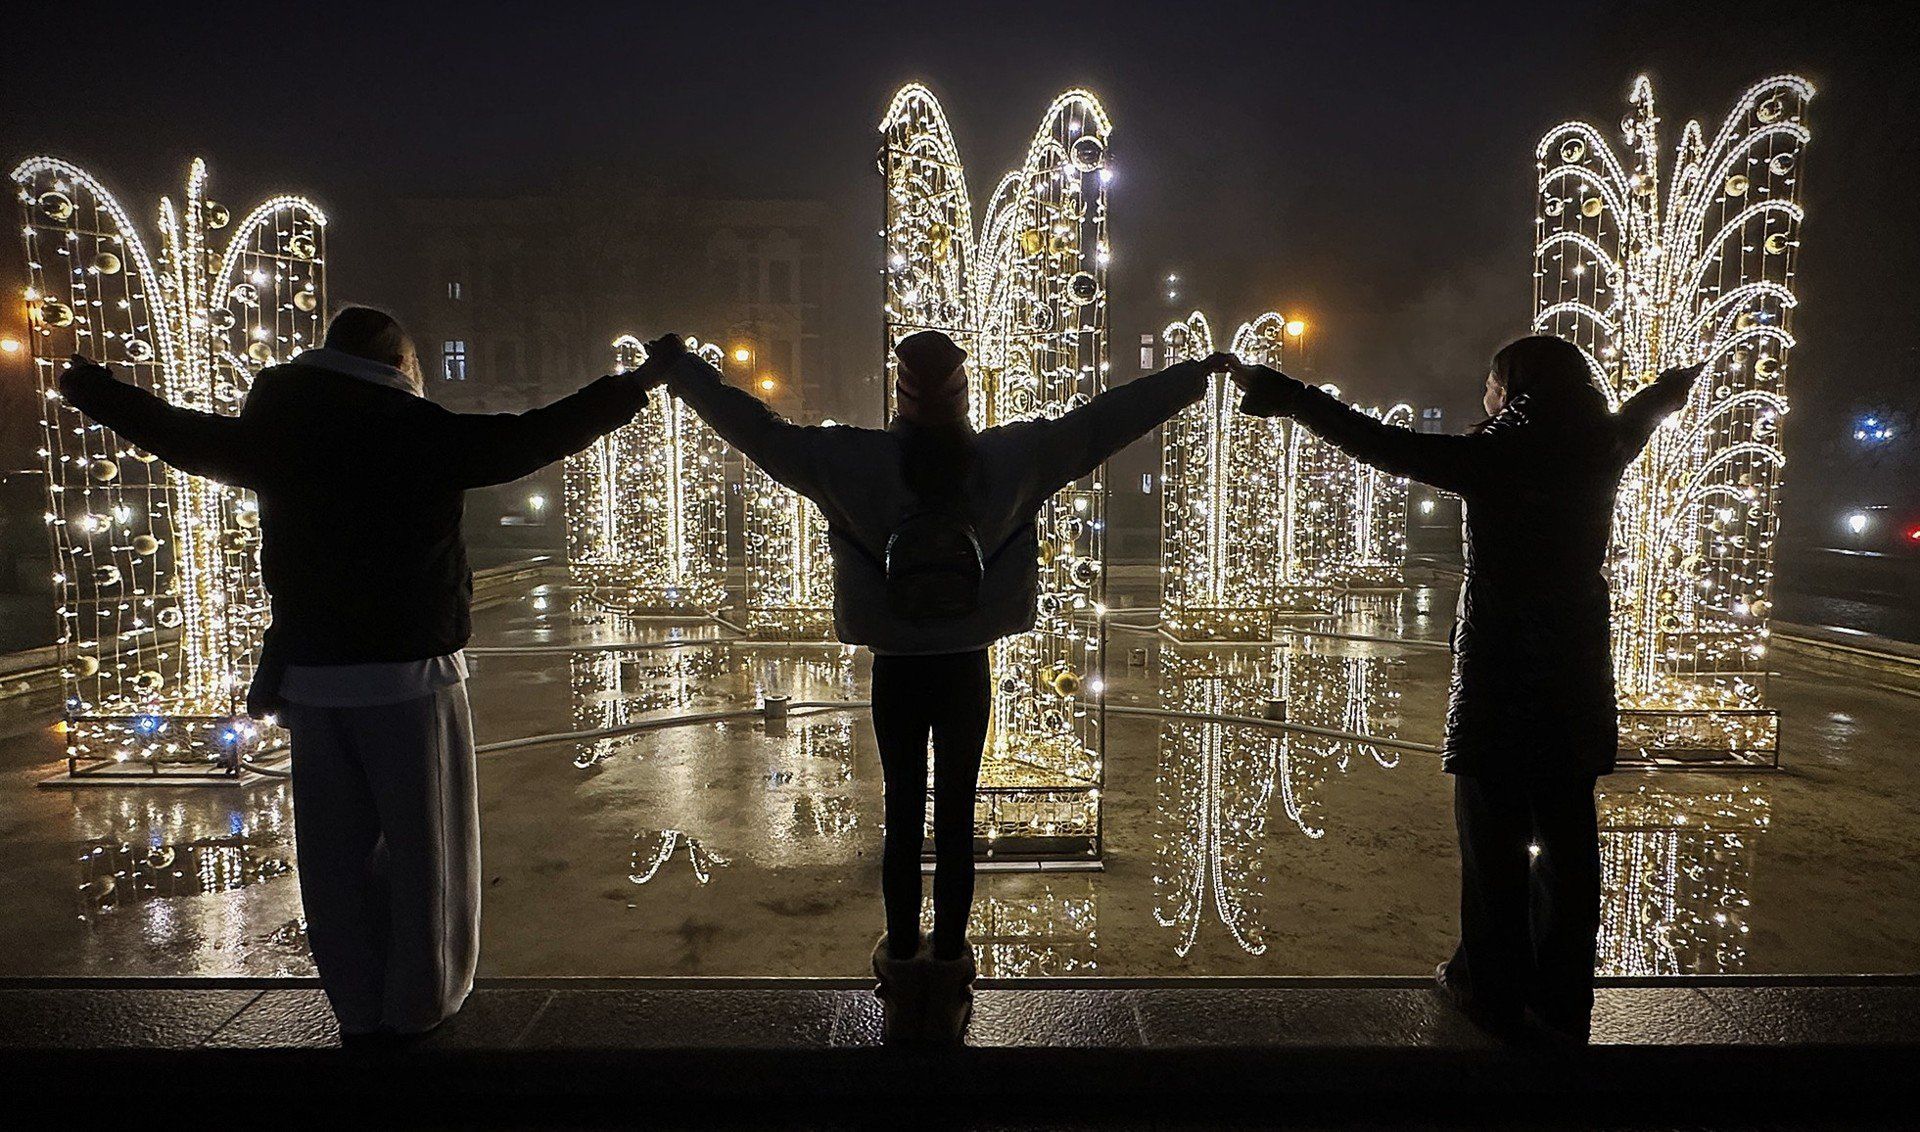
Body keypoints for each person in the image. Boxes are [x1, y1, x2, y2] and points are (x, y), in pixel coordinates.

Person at [58, 307, 664, 1045]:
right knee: (428, 852)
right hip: (410, 671)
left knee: (334, 856)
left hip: (312, 674)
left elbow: (176, 432)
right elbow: (534, 434)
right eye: (415, 362)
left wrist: (93, 387)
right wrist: (635, 386)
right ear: (395, 361)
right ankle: (420, 1001)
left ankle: (357, 1001)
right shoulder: (414, 431)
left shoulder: (277, 430)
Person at [650, 329, 1217, 1045]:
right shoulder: (1010, 461)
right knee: (955, 817)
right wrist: (1192, 375)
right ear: (963, 394)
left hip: (897, 665)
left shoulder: (850, 462)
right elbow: (1102, 422)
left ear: (900, 396)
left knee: (902, 812)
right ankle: (948, 970)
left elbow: (757, 432)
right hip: (964, 664)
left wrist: (682, 373)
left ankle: (899, 969)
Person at [1226, 335, 1700, 1044]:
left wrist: (1293, 398)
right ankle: (1565, 996)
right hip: (1574, 670)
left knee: (1494, 837)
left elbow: (1380, 444)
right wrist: (1675, 383)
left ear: (1511, 388)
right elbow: (1647, 410)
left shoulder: (1495, 457)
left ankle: (1490, 987)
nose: (1485, 396)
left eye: (1490, 384)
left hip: (1504, 668)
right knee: (1569, 840)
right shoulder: (1603, 444)